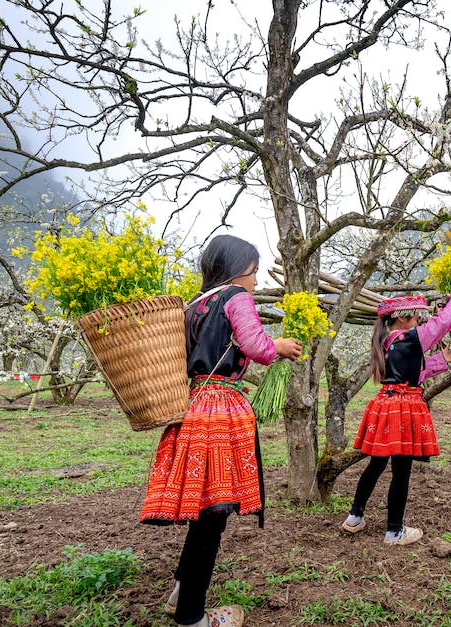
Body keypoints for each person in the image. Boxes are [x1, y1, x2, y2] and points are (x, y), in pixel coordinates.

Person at [139, 235, 302, 627]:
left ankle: (182, 593)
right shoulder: (235, 297)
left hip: (193, 406)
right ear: (238, 268)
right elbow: (256, 346)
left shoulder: (193, 305)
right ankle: (193, 618)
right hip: (221, 412)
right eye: (255, 271)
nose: (257, 282)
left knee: (204, 507)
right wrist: (279, 345)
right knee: (214, 512)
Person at [341, 289, 451, 545]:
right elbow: (441, 324)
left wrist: (442, 359)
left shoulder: (389, 341)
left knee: (376, 464)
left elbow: (413, 373)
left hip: (385, 405)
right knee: (401, 471)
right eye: (416, 318)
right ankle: (394, 531)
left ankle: (355, 517)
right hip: (402, 409)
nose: (420, 322)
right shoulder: (408, 338)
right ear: (402, 318)